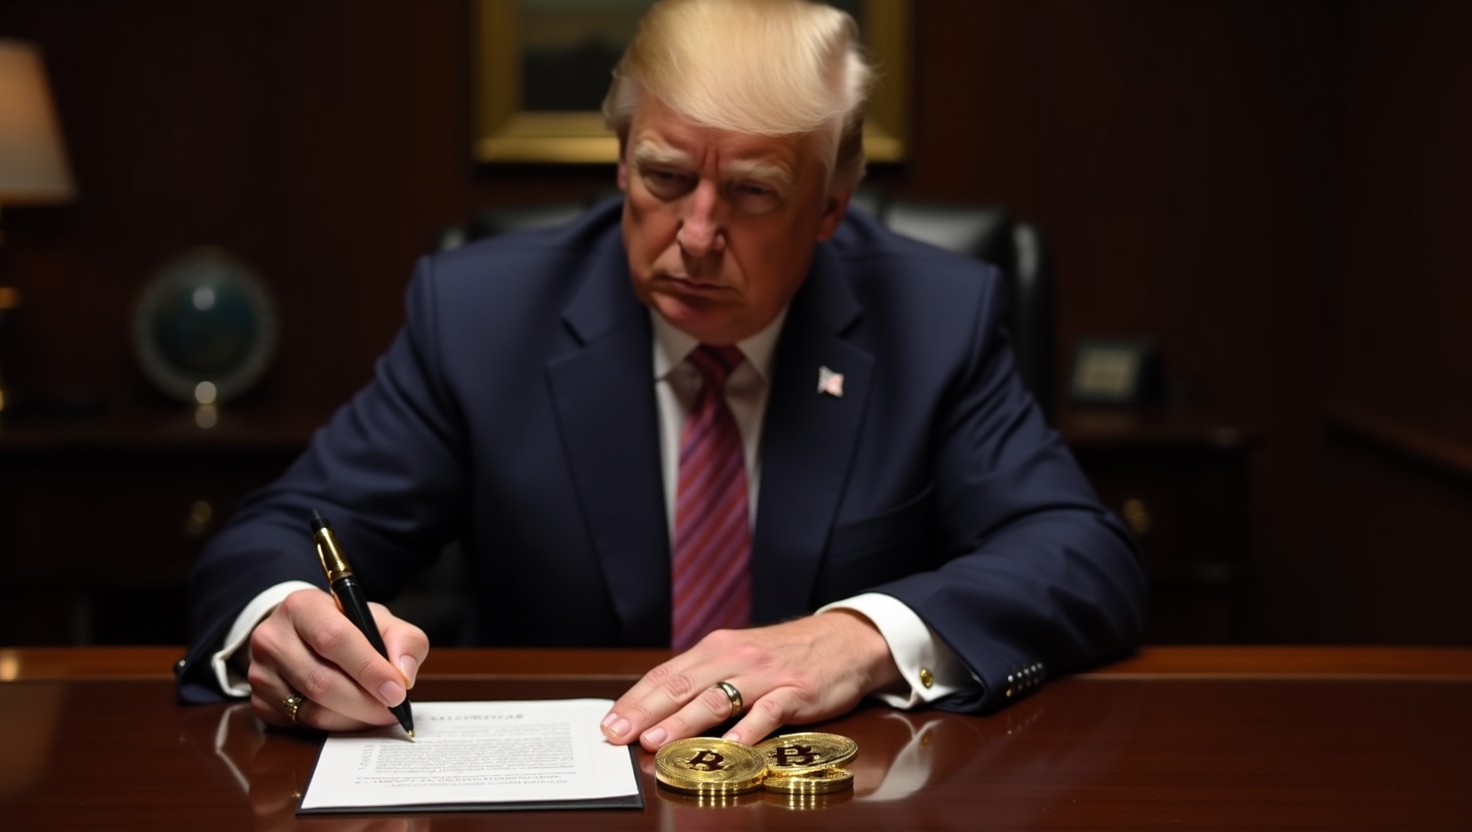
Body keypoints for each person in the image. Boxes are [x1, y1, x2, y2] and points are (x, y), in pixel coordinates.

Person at [177, 0, 1146, 752]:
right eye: (665, 177)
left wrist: (859, 638)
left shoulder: (933, 319)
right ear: (620, 162)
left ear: (831, 206)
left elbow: (1081, 555)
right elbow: (272, 539)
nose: (696, 235)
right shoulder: (480, 317)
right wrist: (284, 625)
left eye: (753, 192)